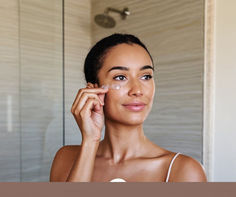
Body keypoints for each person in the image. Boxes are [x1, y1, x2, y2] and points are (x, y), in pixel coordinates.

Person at [50, 33, 207, 182]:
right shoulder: (66, 159)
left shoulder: (183, 171)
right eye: (120, 77)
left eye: (146, 76)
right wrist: (90, 142)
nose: (137, 90)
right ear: (93, 89)